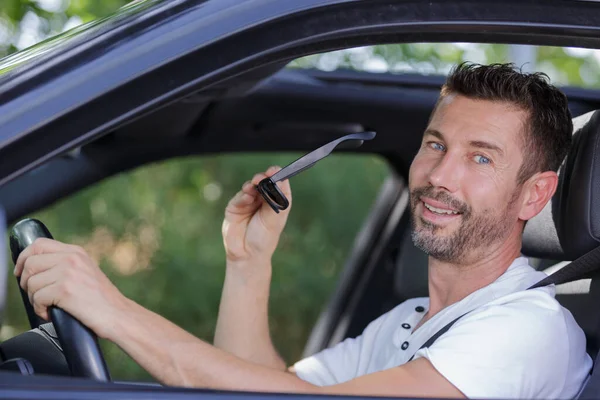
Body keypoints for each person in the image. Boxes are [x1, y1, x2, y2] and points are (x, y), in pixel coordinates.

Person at [14, 62, 593, 399]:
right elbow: (265, 390)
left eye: (481, 158)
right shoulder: (409, 321)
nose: (440, 175)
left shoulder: (530, 329)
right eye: (436, 145)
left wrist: (113, 312)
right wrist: (249, 264)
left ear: (534, 194)